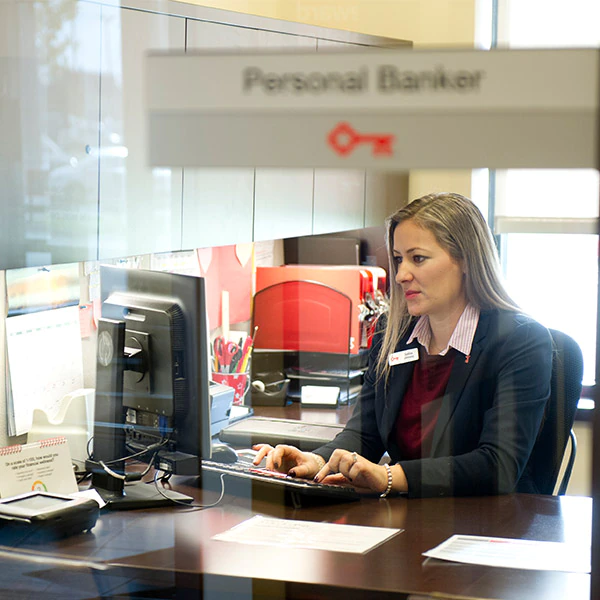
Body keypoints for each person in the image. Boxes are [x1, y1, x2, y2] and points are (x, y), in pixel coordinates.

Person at [253, 192, 553, 498]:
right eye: (398, 259)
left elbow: (496, 466)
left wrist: (388, 476)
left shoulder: (521, 342)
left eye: (417, 258)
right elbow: (364, 435)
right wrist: (317, 460)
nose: (401, 275)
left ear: (465, 259)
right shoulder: (391, 334)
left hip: (487, 524)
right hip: (410, 514)